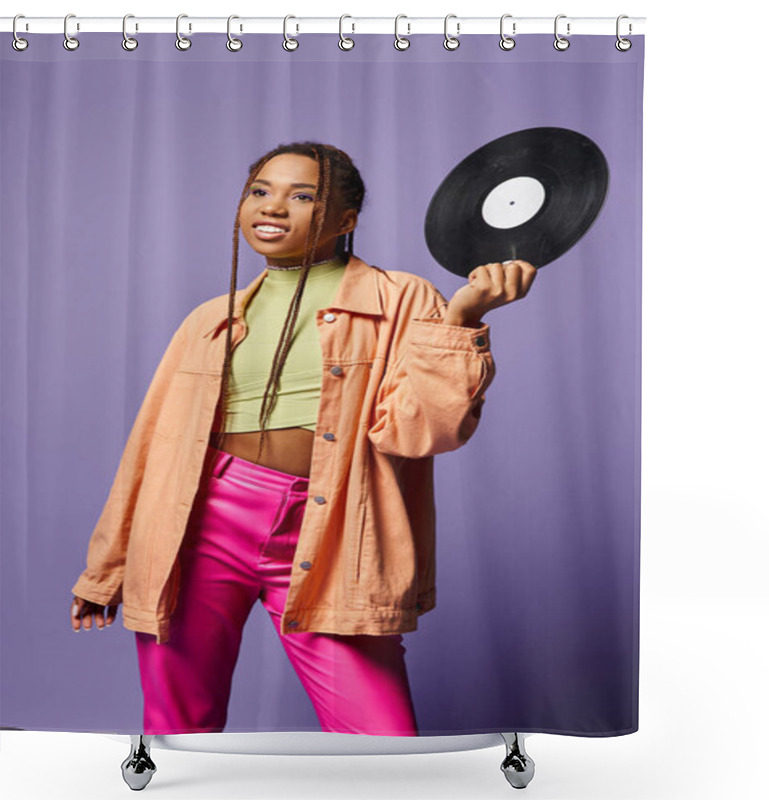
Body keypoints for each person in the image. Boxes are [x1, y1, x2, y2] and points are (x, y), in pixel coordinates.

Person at [69, 142, 537, 736]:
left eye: (303, 195)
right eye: (260, 191)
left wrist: (463, 319)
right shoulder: (210, 318)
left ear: (346, 220)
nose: (273, 207)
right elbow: (150, 449)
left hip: (334, 520)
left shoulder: (405, 300)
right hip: (199, 519)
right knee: (179, 729)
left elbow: (423, 431)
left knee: (381, 742)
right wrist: (105, 570)